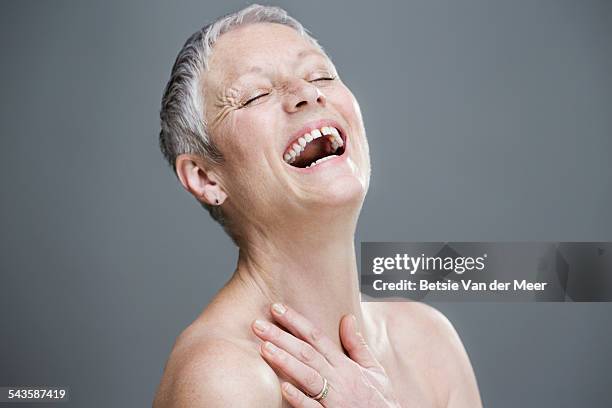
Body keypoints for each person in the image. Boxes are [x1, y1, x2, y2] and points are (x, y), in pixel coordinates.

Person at [153, 4, 482, 407]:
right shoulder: (221, 378)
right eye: (256, 95)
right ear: (206, 178)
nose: (307, 93)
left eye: (321, 75)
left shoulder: (429, 340)